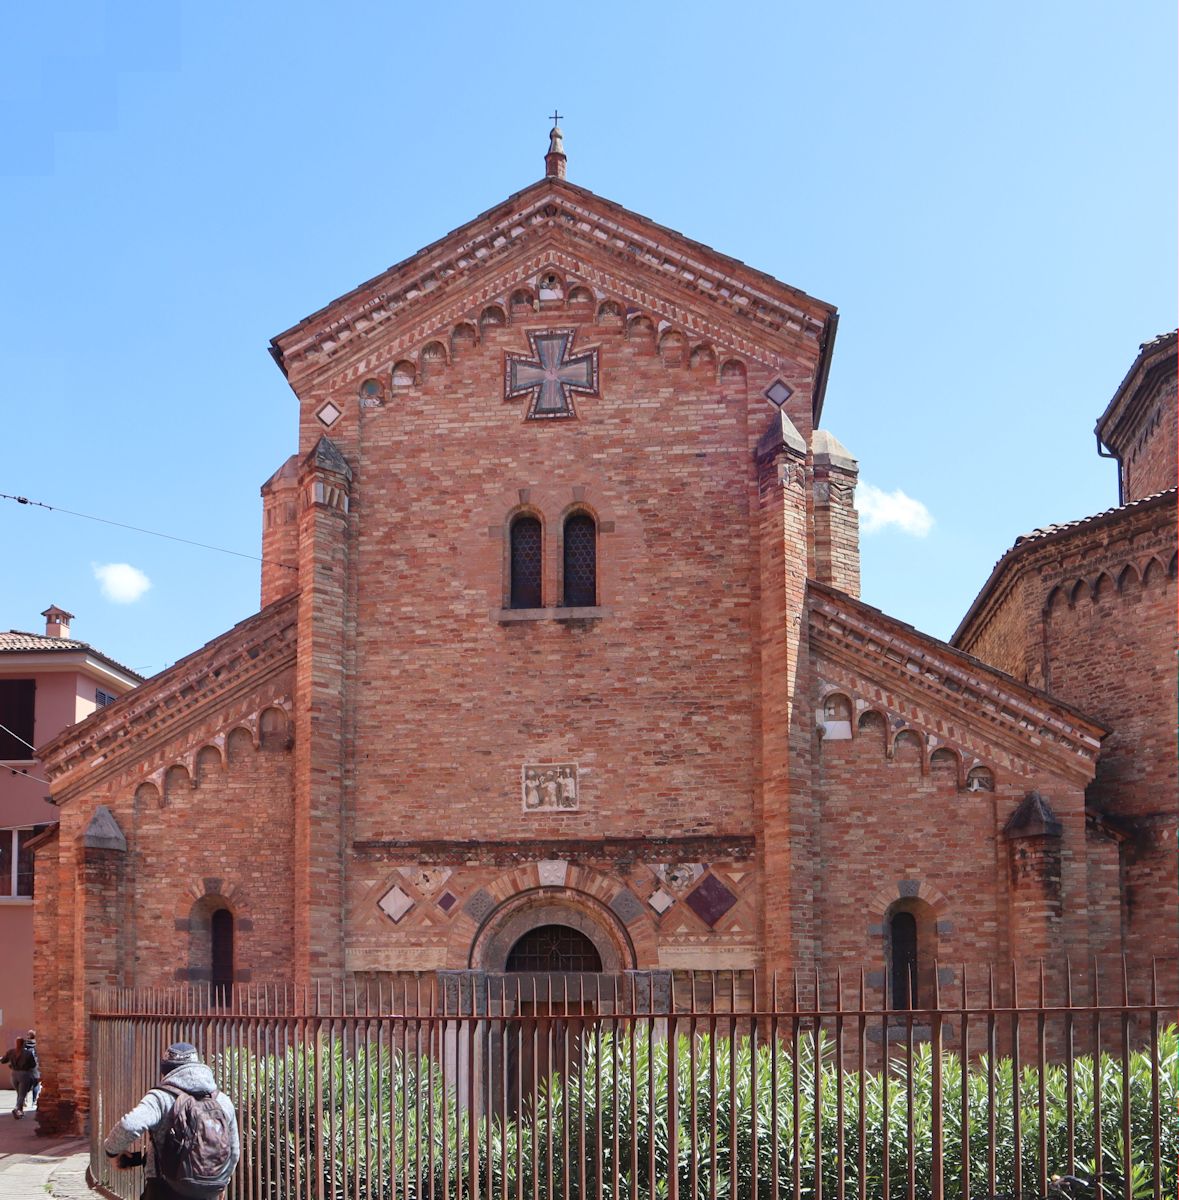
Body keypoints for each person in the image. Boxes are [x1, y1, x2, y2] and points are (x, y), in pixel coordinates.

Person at [104, 1041, 240, 1199]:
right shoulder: (222, 1100)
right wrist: (221, 1182)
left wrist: (112, 1152)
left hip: (164, 1188)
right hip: (209, 1190)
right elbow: (234, 1151)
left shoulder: (161, 1097)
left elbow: (129, 1125)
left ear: (166, 1071)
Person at [1, 1032, 39, 1118]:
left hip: (14, 1074)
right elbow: (33, 1065)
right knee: (22, 1094)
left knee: (19, 1093)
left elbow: (3, 1061)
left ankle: (20, 1112)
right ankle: (17, 1109)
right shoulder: (27, 1053)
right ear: (24, 1044)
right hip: (24, 1074)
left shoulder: (11, 1052)